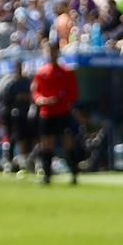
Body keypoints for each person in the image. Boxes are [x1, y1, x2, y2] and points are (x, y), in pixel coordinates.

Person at [33, 39, 81, 186]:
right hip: (47, 113)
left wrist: (61, 99)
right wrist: (42, 100)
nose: (52, 55)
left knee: (68, 142)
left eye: (54, 52)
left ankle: (74, 173)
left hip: (63, 112)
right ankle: (47, 175)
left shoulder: (66, 72)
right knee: (47, 144)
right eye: (49, 52)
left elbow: (73, 94)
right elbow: (36, 93)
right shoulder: (42, 73)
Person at [0, 61, 36, 174]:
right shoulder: (10, 83)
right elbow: (6, 100)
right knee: (13, 139)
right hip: (13, 116)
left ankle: (25, 161)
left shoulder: (27, 82)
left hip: (26, 115)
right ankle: (11, 162)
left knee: (27, 139)